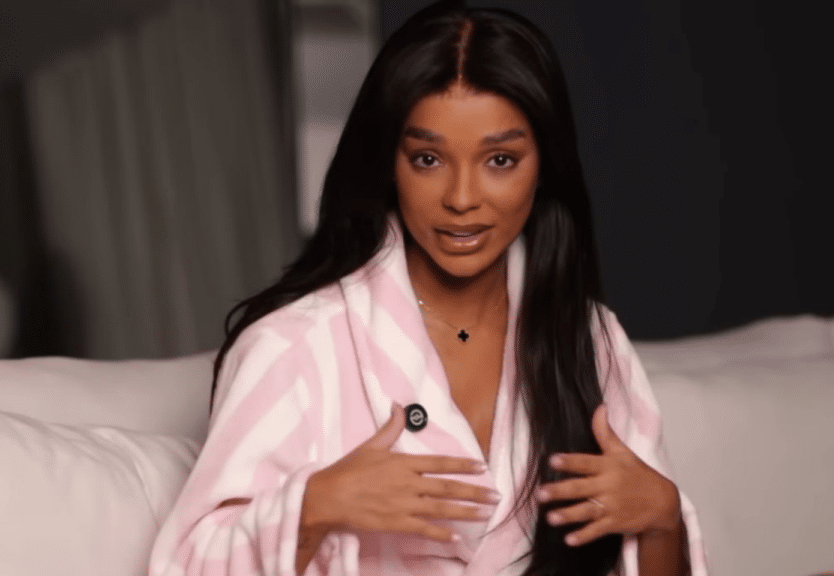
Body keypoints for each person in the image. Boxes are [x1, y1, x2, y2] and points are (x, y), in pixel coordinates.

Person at [149, 1, 708, 575]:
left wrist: (661, 520)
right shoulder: (294, 346)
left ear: (544, 166)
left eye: (500, 159)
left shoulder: (589, 339)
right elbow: (189, 565)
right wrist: (315, 506)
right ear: (388, 164)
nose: (461, 198)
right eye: (427, 159)